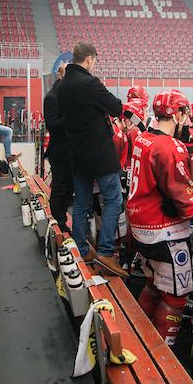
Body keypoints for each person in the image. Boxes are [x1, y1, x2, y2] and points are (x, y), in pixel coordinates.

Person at [125, 89, 193, 345]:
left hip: (140, 227)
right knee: (177, 296)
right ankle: (161, 354)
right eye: (184, 113)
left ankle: (139, 339)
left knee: (155, 284)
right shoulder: (169, 147)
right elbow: (183, 195)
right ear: (177, 114)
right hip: (162, 232)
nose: (187, 119)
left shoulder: (143, 138)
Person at [56, 42, 128, 277]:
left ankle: (82, 248)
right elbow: (116, 107)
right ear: (88, 59)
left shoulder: (63, 84)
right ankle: (106, 253)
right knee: (114, 200)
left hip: (77, 153)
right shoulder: (89, 83)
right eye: (94, 61)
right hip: (99, 153)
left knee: (81, 202)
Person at [42, 68, 73, 226]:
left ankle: (62, 219)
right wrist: (71, 114)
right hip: (60, 153)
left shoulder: (69, 96)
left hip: (72, 151)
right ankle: (58, 222)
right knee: (60, 187)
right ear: (60, 76)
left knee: (69, 187)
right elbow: (53, 126)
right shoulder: (52, 98)